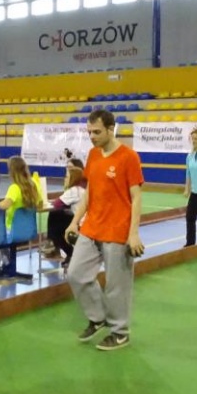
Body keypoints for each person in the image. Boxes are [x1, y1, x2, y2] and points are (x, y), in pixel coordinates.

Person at [65, 109, 144, 351]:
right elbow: (90, 191)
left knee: (116, 286)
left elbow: (136, 197)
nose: (92, 136)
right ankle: (98, 317)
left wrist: (133, 233)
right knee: (76, 274)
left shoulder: (129, 157)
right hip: (92, 227)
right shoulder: (93, 154)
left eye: (97, 132)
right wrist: (75, 221)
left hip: (118, 230)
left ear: (111, 129)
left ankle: (120, 332)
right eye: (89, 132)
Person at [42, 158, 86, 268]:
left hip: (80, 223)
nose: (66, 176)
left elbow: (57, 204)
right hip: (82, 220)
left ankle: (53, 243)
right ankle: (56, 245)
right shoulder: (83, 187)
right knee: (57, 217)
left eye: (70, 169)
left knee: (54, 215)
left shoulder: (74, 190)